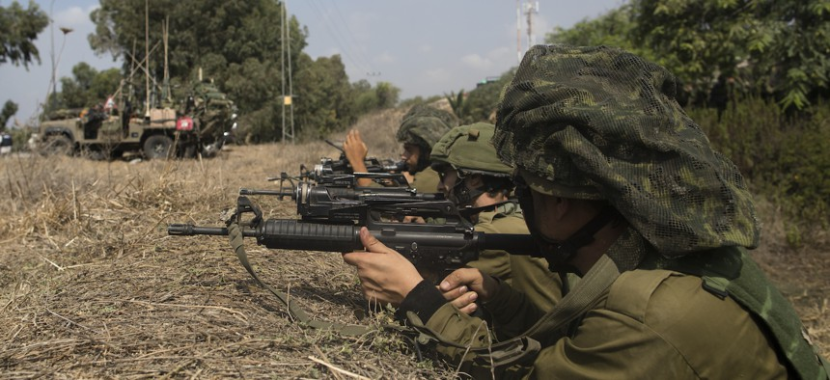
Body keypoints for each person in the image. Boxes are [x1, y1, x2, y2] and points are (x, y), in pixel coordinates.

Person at [343, 45, 830, 378]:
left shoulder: (647, 316)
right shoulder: (680, 258)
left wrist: (416, 298)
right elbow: (570, 346)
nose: (521, 202)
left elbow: (533, 373)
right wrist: (501, 300)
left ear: (557, 198)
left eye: (524, 188)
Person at [429, 122, 562, 316]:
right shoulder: (516, 216)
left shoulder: (496, 233)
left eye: (445, 175)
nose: (441, 186)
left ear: (473, 179)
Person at [343, 104, 458, 191]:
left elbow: (379, 201)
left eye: (409, 150)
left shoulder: (432, 178)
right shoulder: (443, 172)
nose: (404, 156)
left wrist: (357, 163)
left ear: (427, 150)